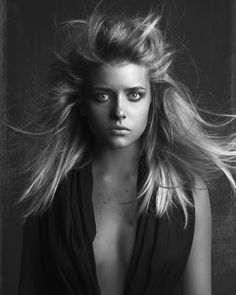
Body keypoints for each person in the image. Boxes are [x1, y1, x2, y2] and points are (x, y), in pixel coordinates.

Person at [17, 9, 236, 295]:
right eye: (103, 96)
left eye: (134, 95)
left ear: (152, 100)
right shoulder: (48, 191)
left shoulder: (187, 192)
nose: (118, 112)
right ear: (82, 103)